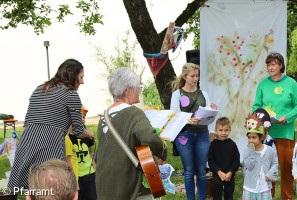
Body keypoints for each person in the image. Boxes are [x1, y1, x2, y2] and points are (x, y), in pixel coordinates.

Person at [7, 59, 95, 197]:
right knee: (54, 191)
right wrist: (88, 133)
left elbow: (26, 125)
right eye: (81, 77)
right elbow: (78, 131)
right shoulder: (71, 95)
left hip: (27, 143)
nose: (83, 82)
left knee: (34, 189)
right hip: (50, 145)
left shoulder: (39, 89)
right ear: (72, 76)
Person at [95, 68, 168, 200]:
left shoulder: (103, 117)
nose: (140, 91)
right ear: (128, 90)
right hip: (131, 185)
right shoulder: (134, 113)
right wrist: (162, 152)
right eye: (138, 87)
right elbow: (149, 138)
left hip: (108, 184)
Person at [252, 52, 297, 200]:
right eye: (268, 64)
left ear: (281, 65)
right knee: (266, 168)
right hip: (267, 134)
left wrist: (286, 117)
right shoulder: (263, 84)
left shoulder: (291, 83)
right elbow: (257, 106)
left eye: (273, 64)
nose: (270, 67)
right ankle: (268, 196)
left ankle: (286, 197)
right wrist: (261, 117)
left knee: (286, 169)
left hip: (285, 132)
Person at [170, 63, 218, 200]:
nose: (195, 78)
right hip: (184, 135)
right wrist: (189, 120)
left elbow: (208, 114)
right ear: (185, 76)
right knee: (189, 171)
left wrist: (212, 109)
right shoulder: (177, 95)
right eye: (192, 76)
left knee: (202, 171)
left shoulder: (203, 94)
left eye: (197, 75)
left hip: (203, 134)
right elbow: (174, 116)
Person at [243, 109, 279, 200]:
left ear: (262, 136)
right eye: (249, 137)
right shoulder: (248, 149)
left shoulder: (270, 148)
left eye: (254, 137)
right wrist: (251, 151)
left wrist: (272, 175)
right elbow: (248, 166)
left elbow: (275, 162)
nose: (251, 140)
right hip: (250, 187)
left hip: (265, 187)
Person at [207, 117, 240, 200]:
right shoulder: (213, 145)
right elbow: (211, 160)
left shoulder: (232, 144)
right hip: (217, 176)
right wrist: (219, 172)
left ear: (230, 130)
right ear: (215, 131)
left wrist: (231, 172)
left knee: (229, 196)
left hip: (230, 177)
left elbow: (236, 160)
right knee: (217, 196)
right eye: (220, 130)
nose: (223, 133)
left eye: (226, 130)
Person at [72, 106, 97, 200]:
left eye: (84, 117)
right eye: (80, 117)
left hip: (89, 173)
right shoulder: (69, 136)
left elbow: (90, 152)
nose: (82, 119)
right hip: (76, 176)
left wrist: (94, 166)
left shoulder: (87, 135)